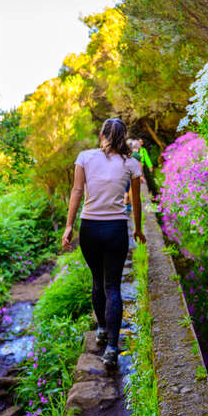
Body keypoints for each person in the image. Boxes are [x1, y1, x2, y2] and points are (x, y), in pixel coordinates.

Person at [62, 118, 146, 367]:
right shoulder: (131, 163)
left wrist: (69, 226)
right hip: (115, 229)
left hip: (89, 228)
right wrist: (138, 229)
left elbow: (77, 192)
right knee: (113, 288)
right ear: (123, 137)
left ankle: (101, 328)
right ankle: (111, 348)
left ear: (102, 135)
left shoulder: (85, 157)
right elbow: (136, 201)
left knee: (97, 281)